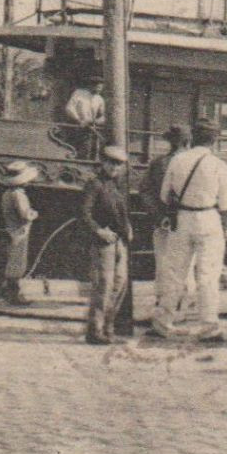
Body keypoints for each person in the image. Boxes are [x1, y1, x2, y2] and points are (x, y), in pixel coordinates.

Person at [154, 119, 227, 341]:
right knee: (208, 275)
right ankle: (209, 326)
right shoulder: (218, 165)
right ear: (214, 140)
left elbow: (163, 196)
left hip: (182, 219)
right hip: (209, 219)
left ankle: (163, 321)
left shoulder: (177, 160)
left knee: (175, 272)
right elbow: (225, 204)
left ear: (193, 138)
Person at [81, 146, 134, 345]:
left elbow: (120, 211)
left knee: (119, 285)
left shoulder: (116, 185)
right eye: (111, 162)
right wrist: (99, 230)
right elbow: (84, 214)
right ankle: (95, 331)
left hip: (119, 241)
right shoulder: (94, 185)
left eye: (118, 164)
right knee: (104, 287)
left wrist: (127, 226)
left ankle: (108, 328)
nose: (114, 167)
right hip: (103, 243)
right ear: (102, 162)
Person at [141, 125, 192, 327]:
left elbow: (145, 191)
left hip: (164, 223)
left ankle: (164, 308)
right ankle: (182, 307)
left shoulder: (159, 163)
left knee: (163, 265)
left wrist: (158, 215)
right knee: (187, 267)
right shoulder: (195, 163)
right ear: (187, 142)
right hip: (188, 222)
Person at [0, 162, 39, 305]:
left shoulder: (7, 194)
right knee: (17, 263)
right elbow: (25, 214)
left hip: (11, 229)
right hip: (20, 231)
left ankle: (10, 293)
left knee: (12, 261)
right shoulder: (19, 195)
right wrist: (34, 214)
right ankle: (13, 296)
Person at [64, 79, 106, 159]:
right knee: (76, 150)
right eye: (98, 87)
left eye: (101, 87)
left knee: (91, 151)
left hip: (91, 129)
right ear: (91, 86)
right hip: (76, 127)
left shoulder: (100, 99)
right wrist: (78, 120)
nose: (99, 89)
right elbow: (69, 108)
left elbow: (104, 117)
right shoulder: (79, 93)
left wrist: (93, 121)